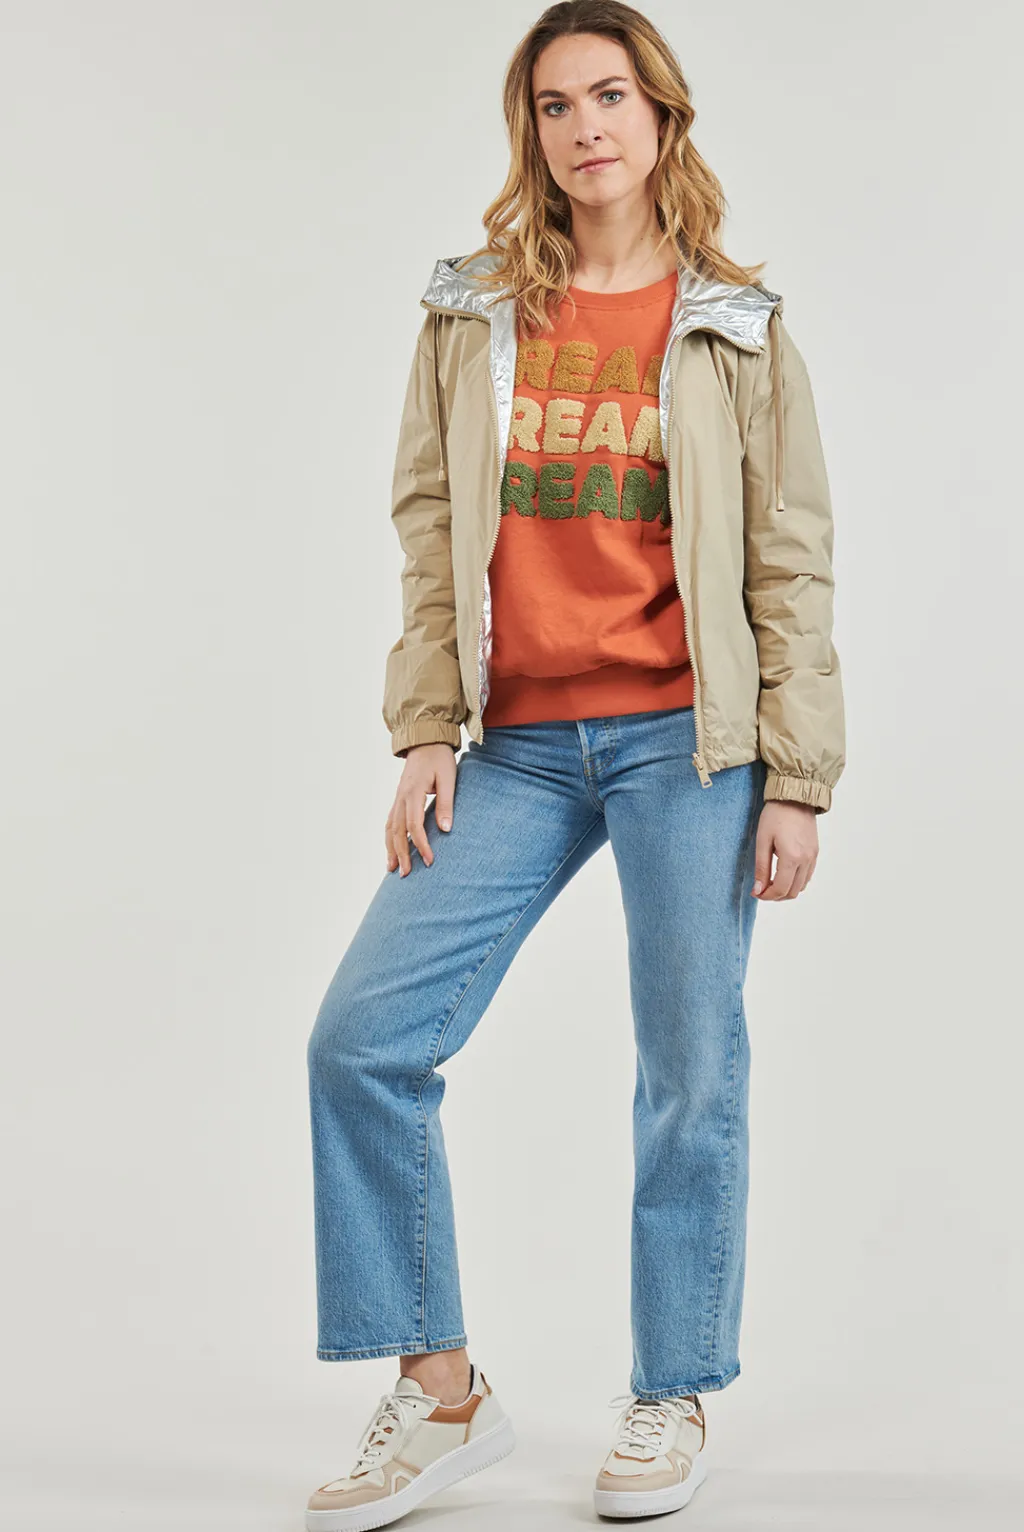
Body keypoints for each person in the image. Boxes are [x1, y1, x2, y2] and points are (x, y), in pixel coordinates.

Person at [304, 1, 845, 1524]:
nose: (586, 127)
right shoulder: (470, 316)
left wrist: (797, 772)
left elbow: (792, 558)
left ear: (662, 118)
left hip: (691, 741)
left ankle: (673, 1389)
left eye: (611, 96)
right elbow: (430, 530)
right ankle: (442, 1393)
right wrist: (425, 726)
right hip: (517, 747)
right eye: (555, 105)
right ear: (529, 132)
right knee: (361, 1042)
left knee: (690, 1071)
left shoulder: (736, 327)